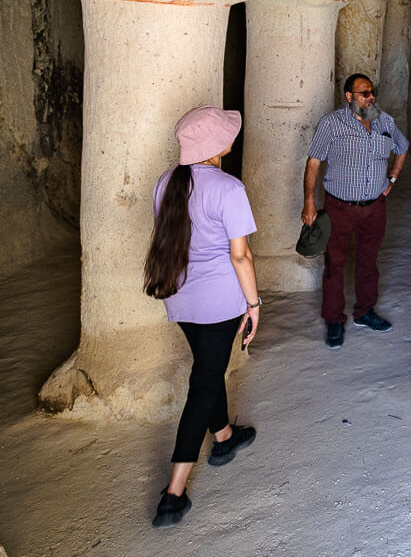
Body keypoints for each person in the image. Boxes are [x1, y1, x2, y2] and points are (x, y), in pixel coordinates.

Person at [142, 105, 261, 528]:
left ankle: (225, 437)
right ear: (217, 147)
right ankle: (173, 494)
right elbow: (240, 255)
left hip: (181, 299)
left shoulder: (165, 183)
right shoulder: (228, 188)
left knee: (208, 370)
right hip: (219, 303)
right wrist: (254, 304)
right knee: (204, 381)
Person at [302, 72, 409, 347]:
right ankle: (334, 320)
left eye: (371, 92)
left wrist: (393, 179)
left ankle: (364, 312)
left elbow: (403, 146)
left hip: (374, 207)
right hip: (340, 207)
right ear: (349, 97)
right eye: (363, 93)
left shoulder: (384, 120)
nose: (370, 97)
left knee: (368, 260)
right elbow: (314, 162)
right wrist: (309, 201)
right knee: (334, 264)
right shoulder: (332, 123)